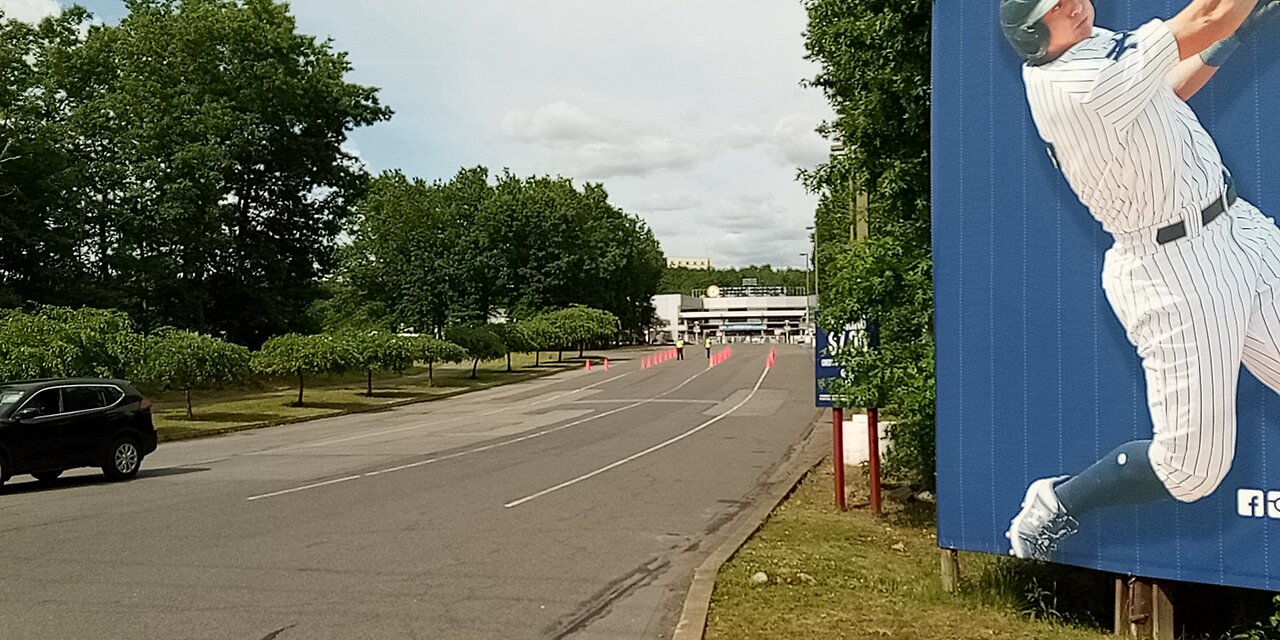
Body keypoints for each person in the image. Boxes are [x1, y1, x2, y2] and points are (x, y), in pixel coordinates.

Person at [999, 0, 1280, 561]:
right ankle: (1059, 502)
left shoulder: (1089, 50)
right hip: (1174, 275)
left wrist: (1231, 42)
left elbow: (1162, 91)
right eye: (1052, 8)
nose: (1072, 4)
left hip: (1237, 227)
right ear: (1032, 37)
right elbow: (1206, 16)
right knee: (1192, 470)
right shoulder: (1081, 81)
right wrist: (1226, 25)